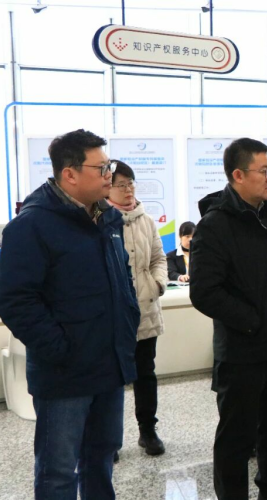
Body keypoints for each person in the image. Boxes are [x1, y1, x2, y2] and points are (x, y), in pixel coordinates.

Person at [0, 129, 140, 500]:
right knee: (58, 472)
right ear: (70, 173)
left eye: (109, 166)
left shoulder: (107, 218)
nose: (109, 175)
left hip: (109, 365)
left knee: (101, 458)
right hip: (64, 374)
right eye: (101, 168)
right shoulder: (32, 225)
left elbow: (122, 278)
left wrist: (127, 326)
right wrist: (61, 349)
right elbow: (14, 299)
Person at [189, 137, 267, 500]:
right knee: (237, 437)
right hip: (242, 348)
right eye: (264, 171)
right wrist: (252, 321)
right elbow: (204, 292)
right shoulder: (215, 225)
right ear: (238, 175)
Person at [107, 161, 168, 456]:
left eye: (131, 182)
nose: (128, 189)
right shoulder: (102, 220)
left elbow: (158, 258)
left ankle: (148, 431)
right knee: (111, 378)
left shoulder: (146, 220)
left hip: (146, 308)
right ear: (108, 188)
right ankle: (109, 439)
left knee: (146, 373)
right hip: (113, 313)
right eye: (121, 184)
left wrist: (158, 284)